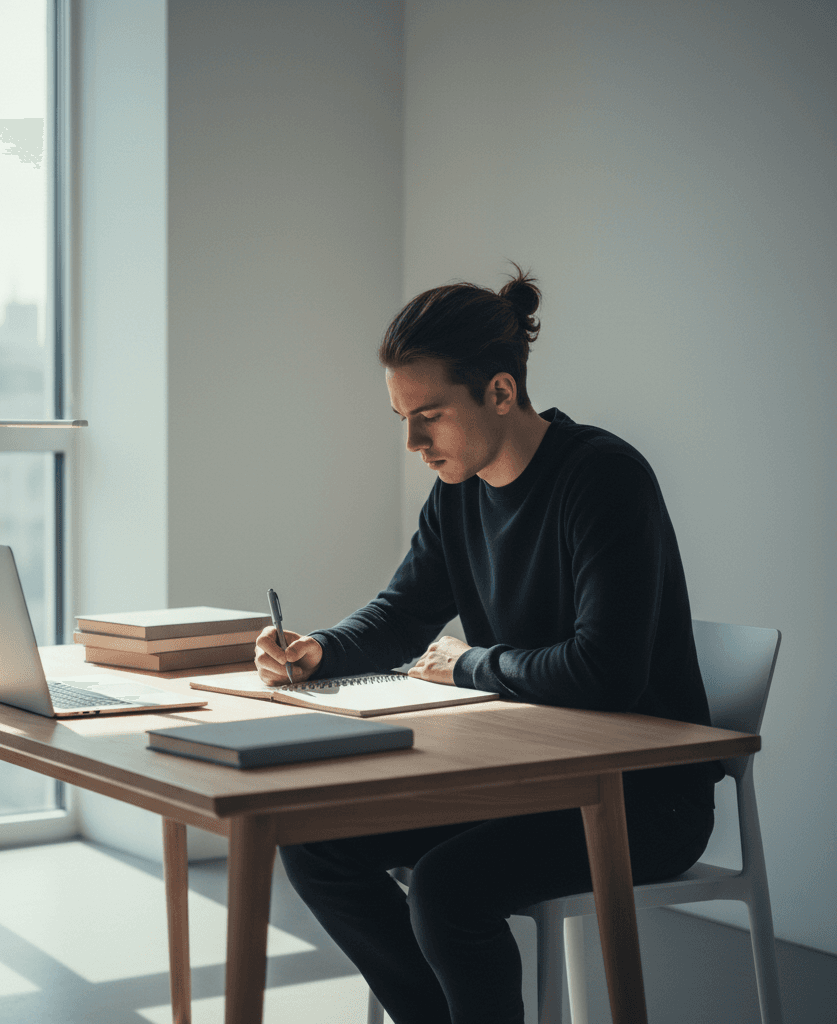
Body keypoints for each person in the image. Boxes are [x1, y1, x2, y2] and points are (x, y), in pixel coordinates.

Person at [253, 265, 722, 1024]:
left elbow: (605, 672)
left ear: (500, 392)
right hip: (528, 779)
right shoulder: (458, 494)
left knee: (446, 888)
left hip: (642, 799)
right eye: (402, 416)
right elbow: (404, 615)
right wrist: (320, 651)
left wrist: (470, 663)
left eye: (429, 415)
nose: (411, 441)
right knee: (314, 845)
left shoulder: (603, 479)